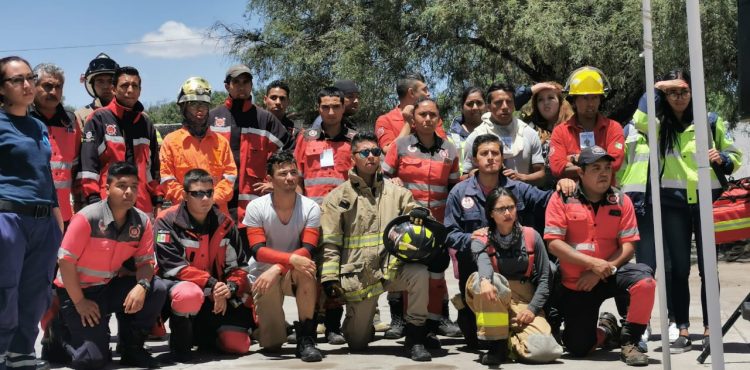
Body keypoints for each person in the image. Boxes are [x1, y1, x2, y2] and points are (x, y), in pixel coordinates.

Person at [620, 70, 742, 353]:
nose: (678, 97)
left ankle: (712, 329)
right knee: (678, 270)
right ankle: (683, 329)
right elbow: (639, 119)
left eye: (683, 90)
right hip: (671, 204)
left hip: (705, 202)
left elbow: (735, 155)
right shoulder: (658, 124)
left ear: (693, 92)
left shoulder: (710, 121)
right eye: (672, 92)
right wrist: (655, 88)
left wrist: (722, 158)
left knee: (708, 270)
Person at [445, 134, 575, 348]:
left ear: (502, 158)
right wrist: (475, 239)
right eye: (484, 153)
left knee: (550, 269)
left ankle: (548, 317)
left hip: (517, 269)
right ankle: (468, 312)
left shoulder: (517, 188)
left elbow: (547, 200)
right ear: (475, 159)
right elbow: (450, 233)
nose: (490, 158)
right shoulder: (459, 193)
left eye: (495, 153)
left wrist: (563, 184)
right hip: (477, 270)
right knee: (477, 342)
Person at [320, 132, 437, 361]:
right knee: (357, 343)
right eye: (365, 152)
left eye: (375, 152)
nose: (371, 156)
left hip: (392, 269)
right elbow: (331, 243)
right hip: (359, 276)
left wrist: (422, 215)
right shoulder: (337, 198)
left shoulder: (397, 193)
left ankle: (415, 338)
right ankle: (359, 322)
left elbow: (419, 215)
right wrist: (330, 278)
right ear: (353, 157)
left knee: (419, 274)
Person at [544, 145, 655, 366]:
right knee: (577, 348)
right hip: (578, 283)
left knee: (645, 281)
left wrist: (603, 268)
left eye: (607, 167)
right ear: (581, 173)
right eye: (596, 168)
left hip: (610, 274)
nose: (604, 173)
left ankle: (630, 341)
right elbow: (553, 244)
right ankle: (606, 329)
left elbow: (629, 245)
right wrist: (591, 264)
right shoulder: (562, 199)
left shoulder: (622, 200)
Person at [55, 162, 167, 369]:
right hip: (77, 293)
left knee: (156, 288)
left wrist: (142, 286)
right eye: (122, 186)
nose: (129, 192)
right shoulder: (87, 218)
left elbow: (146, 262)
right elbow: (65, 262)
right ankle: (58, 334)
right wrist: (79, 302)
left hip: (107, 287)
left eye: (134, 186)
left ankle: (131, 348)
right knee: (92, 361)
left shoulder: (142, 222)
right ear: (107, 189)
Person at [0, 55, 64, 370]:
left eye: (29, 78)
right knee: (4, 287)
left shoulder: (38, 125)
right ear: (2, 89)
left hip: (44, 219)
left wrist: (57, 220)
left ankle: (21, 351)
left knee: (37, 288)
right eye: (16, 80)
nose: (27, 85)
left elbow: (44, 175)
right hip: (8, 217)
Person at [382, 97, 461, 339]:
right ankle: (401, 321)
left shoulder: (450, 149)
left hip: (436, 226)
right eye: (422, 115)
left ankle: (433, 324)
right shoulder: (400, 145)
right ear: (413, 119)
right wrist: (391, 180)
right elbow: (382, 177)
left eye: (432, 115)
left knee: (436, 275)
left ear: (439, 119)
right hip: (405, 225)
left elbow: (454, 187)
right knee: (405, 272)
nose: (427, 119)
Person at [154, 168, 253, 362]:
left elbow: (240, 267)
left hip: (216, 297)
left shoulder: (225, 223)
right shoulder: (166, 221)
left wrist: (228, 288)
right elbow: (171, 267)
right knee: (189, 294)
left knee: (238, 345)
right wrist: (213, 283)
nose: (205, 198)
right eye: (197, 193)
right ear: (184, 195)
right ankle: (180, 346)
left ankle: (204, 335)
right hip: (178, 291)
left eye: (209, 192)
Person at [466, 187, 562, 365]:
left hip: (524, 299)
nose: (507, 212)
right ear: (491, 214)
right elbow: (484, 265)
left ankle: (510, 340)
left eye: (511, 207)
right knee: (486, 281)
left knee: (545, 351)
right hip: (494, 297)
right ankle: (497, 345)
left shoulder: (532, 236)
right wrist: (486, 281)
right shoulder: (480, 238)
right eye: (501, 209)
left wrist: (531, 310)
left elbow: (544, 278)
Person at [242, 151, 323, 362]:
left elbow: (308, 248)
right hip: (262, 275)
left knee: (306, 269)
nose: (289, 178)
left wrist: (279, 267)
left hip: (289, 272)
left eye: (293, 172)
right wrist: (287, 261)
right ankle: (268, 328)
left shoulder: (311, 207)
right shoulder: (255, 207)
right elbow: (257, 250)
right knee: (272, 346)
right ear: (269, 179)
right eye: (283, 173)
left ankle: (306, 337)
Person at [293, 86, 356, 344]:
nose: (331, 112)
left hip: (342, 218)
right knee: (314, 270)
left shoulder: (353, 139)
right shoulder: (306, 138)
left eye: (336, 106)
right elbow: (296, 175)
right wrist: (301, 208)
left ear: (344, 107)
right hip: (311, 216)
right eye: (325, 107)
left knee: (337, 270)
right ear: (318, 109)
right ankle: (313, 321)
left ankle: (333, 326)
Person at [208, 65, 291, 224]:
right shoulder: (212, 117)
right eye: (236, 82)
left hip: (253, 210)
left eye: (246, 82)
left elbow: (289, 149)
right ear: (227, 86)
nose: (241, 86)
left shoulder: (264, 119)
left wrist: (276, 182)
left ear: (251, 86)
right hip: (216, 207)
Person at [80, 66, 162, 215]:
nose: (130, 90)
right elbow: (89, 167)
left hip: (142, 207)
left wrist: (158, 199)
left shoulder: (146, 123)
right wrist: (93, 201)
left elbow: (152, 168)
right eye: (124, 85)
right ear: (113, 89)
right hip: (108, 207)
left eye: (134, 86)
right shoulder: (98, 119)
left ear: (140, 91)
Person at [160, 77, 237, 215]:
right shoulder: (171, 142)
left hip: (217, 216)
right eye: (193, 104)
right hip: (183, 217)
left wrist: (210, 200)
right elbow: (167, 179)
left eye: (204, 104)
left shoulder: (221, 142)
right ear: (183, 108)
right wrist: (190, 201)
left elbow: (229, 178)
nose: (200, 109)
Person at [548, 67, 625, 182]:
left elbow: (615, 163)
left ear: (600, 99)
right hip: (572, 196)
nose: (590, 103)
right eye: (585, 98)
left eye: (595, 97)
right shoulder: (560, 131)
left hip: (606, 197)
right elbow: (557, 167)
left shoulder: (613, 128)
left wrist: (572, 159)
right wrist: (599, 164)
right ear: (574, 100)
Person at [461, 83, 545, 186]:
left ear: (514, 105)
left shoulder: (528, 133)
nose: (505, 107)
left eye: (509, 102)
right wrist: (480, 174)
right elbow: (464, 178)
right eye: (498, 102)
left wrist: (522, 177)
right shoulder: (475, 137)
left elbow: (541, 174)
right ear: (488, 107)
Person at [30, 63, 81, 225]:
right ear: (33, 86)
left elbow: (77, 166)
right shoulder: (21, 118)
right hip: (27, 211)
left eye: (58, 87)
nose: (53, 92)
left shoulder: (71, 121)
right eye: (47, 86)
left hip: (63, 213)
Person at [520, 82, 574, 189]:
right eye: (540, 99)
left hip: (568, 188)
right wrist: (532, 89)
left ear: (561, 101)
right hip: (536, 192)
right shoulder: (529, 128)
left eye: (550, 98)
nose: (546, 103)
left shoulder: (573, 127)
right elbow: (511, 102)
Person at [375, 72, 446, 153]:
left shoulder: (433, 118)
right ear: (411, 93)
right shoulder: (385, 120)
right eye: (424, 90)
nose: (428, 94)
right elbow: (389, 152)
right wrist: (408, 123)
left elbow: (446, 149)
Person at [73, 53, 118, 129]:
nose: (105, 86)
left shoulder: (132, 115)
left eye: (110, 81)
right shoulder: (80, 116)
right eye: (100, 81)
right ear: (92, 85)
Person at [448, 86, 485, 173]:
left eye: (479, 103)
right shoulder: (450, 137)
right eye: (470, 104)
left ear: (486, 106)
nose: (475, 107)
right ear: (461, 108)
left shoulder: (495, 132)